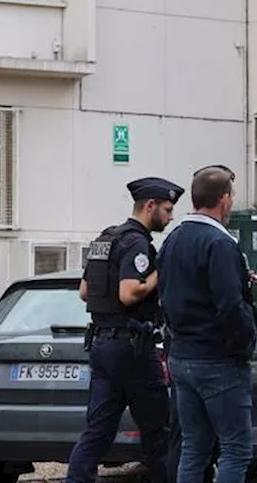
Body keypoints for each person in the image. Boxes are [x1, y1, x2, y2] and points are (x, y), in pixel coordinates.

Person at [67, 177, 183, 483]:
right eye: (168, 210)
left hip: (103, 347)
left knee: (96, 432)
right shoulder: (136, 242)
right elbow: (129, 292)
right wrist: (161, 272)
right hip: (133, 350)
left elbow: (84, 291)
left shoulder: (106, 238)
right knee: (158, 434)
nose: (171, 217)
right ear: (150, 206)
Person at [158, 165, 257, 483]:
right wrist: (246, 341)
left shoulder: (172, 240)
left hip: (182, 355)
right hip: (217, 359)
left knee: (194, 447)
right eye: (231, 196)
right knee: (236, 448)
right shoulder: (220, 243)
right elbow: (231, 305)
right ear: (224, 199)